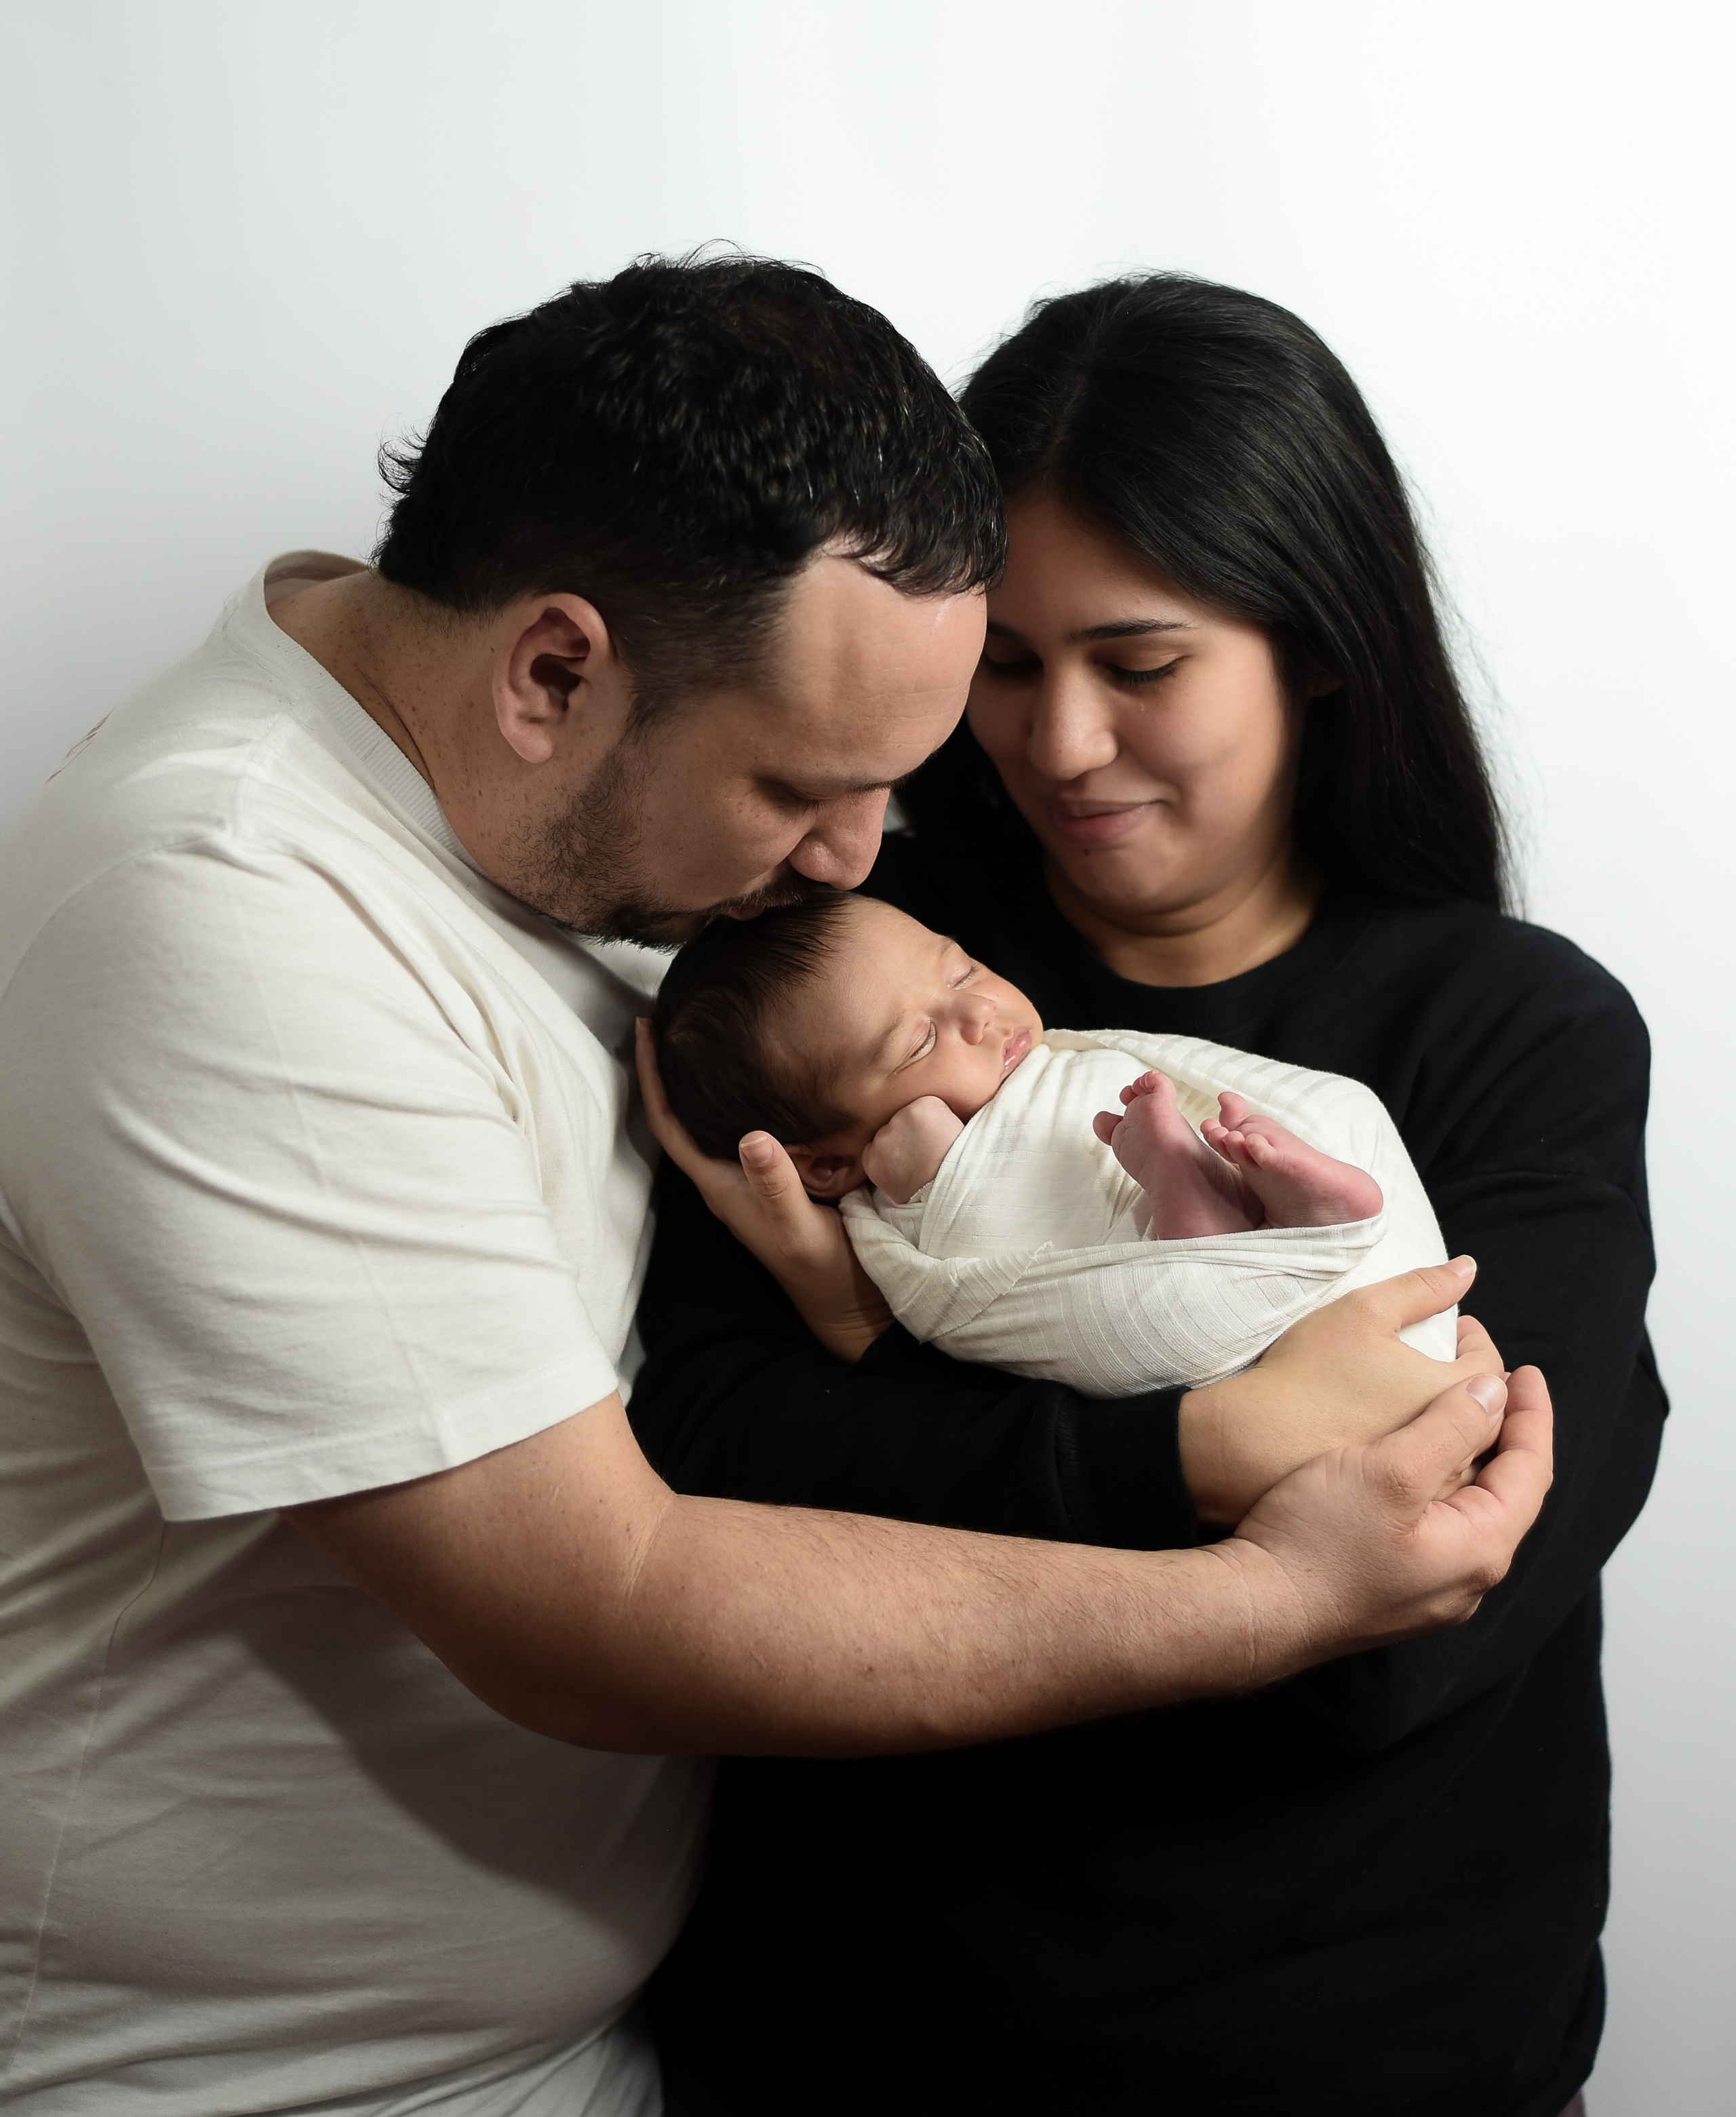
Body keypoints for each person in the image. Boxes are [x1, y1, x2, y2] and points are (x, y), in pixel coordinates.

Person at [0, 258, 1550, 2117]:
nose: (857, 862)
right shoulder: (230, 903)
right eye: (806, 789)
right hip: (249, 2082)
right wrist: (1263, 1590)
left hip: (581, 2049)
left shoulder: (591, 838)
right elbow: (602, 1596)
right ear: (553, 670)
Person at [629, 275, 1657, 2117]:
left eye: (1142, 662)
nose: (1059, 741)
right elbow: (708, 1469)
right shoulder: (827, 996)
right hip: (865, 2049)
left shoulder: (1509, 1032)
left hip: (1367, 2059)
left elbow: (1408, 1633)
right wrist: (1221, 1460)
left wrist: (877, 1383)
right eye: (1008, 667)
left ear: (1317, 646)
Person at [650, 889, 1453, 1401]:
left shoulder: (1055, 1061)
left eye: (960, 972)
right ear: (824, 1163)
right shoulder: (889, 1181)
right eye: (916, 1044)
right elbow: (959, 1282)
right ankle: (1220, 1217)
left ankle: (1250, 1204)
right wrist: (926, 1171)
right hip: (1190, 1326)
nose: (980, 1015)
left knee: (1321, 1108)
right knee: (1077, 1255)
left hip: (1344, 1330)